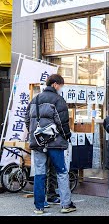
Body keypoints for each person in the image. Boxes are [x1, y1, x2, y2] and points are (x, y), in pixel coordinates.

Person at [25, 74, 76, 214]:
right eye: (61, 85)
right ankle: (66, 205)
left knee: (40, 173)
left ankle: (39, 207)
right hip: (55, 143)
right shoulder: (58, 100)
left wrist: (34, 133)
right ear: (55, 84)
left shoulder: (34, 100)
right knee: (61, 172)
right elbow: (63, 122)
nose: (61, 88)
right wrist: (67, 136)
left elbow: (27, 120)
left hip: (38, 142)